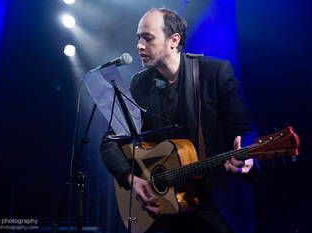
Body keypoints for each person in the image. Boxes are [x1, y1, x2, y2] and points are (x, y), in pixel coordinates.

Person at [100, 8, 260, 233]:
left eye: (148, 38)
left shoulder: (215, 72)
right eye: (139, 38)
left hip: (218, 203)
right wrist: (130, 178)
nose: (139, 45)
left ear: (174, 40)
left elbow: (246, 129)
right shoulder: (140, 84)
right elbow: (110, 142)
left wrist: (247, 156)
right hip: (170, 209)